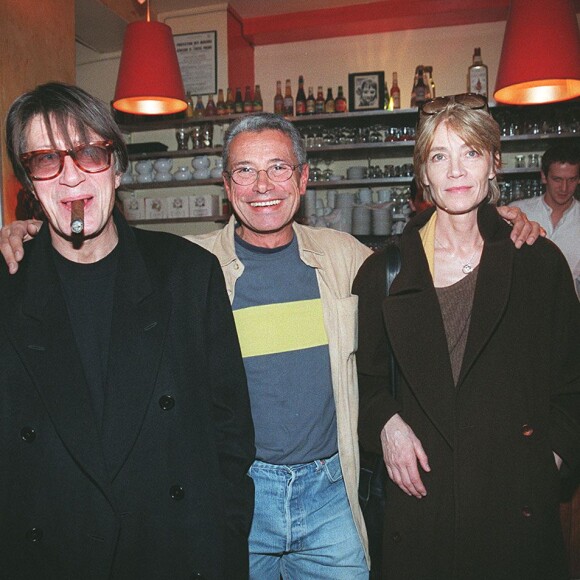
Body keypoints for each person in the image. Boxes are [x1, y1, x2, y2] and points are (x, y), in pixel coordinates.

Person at [0, 111, 542, 580]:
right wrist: (29, 230)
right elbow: (95, 263)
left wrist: (504, 221)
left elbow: (431, 271)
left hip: (332, 492)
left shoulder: (348, 257)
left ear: (304, 180)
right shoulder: (184, 271)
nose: (263, 186)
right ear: (226, 185)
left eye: (279, 168)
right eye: (245, 171)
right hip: (241, 495)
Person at [0, 82, 255, 579]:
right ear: (29, 185)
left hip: (173, 554)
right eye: (46, 160)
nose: (71, 176)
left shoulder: (188, 274)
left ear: (117, 167)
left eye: (90, 152)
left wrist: (220, 546)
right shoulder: (8, 289)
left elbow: (232, 435)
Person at [353, 93, 580, 580]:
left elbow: (572, 382)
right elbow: (365, 384)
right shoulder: (384, 272)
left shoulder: (539, 264)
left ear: (494, 164)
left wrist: (550, 460)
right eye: (439, 156)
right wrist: (387, 424)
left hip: (512, 505)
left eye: (471, 153)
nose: (455, 171)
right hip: (422, 508)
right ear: (423, 174)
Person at [510, 144, 580, 297]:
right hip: (524, 309)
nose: (564, 188)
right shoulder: (518, 213)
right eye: (557, 179)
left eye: (572, 179)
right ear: (543, 176)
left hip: (570, 313)